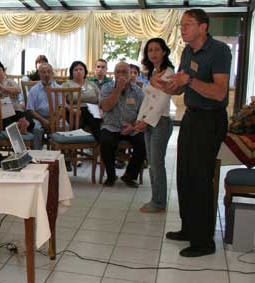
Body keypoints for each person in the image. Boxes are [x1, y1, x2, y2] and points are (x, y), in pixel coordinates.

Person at [163, 9, 231, 257]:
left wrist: (189, 81)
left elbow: (219, 92)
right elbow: (180, 89)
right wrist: (168, 86)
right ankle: (189, 229)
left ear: (204, 27)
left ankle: (204, 242)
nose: (182, 29)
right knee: (184, 175)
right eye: (181, 25)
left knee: (201, 178)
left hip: (211, 118)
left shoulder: (219, 51)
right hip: (191, 116)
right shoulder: (188, 51)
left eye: (188, 24)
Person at [134, 38, 175, 213]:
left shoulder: (169, 72)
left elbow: (161, 102)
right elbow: (148, 99)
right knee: (152, 163)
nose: (153, 53)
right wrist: (139, 118)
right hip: (150, 122)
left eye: (157, 49)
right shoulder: (153, 72)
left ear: (164, 52)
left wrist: (145, 121)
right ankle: (155, 199)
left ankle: (159, 203)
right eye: (150, 50)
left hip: (161, 122)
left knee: (157, 164)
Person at [99, 62, 146, 188]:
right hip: (111, 126)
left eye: (124, 72)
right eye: (118, 72)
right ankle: (111, 175)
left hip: (131, 127)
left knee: (144, 142)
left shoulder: (138, 91)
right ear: (114, 74)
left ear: (130, 74)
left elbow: (143, 113)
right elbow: (105, 107)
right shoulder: (107, 87)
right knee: (105, 140)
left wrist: (133, 126)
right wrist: (118, 90)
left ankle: (129, 176)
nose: (121, 75)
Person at [0, 60, 33, 134]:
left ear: (3, 71)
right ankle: (19, 126)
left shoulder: (9, 81)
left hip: (14, 110)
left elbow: (17, 90)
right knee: (2, 119)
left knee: (27, 116)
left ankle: (18, 126)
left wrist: (3, 88)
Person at [61, 61, 102, 141]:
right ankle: (75, 147)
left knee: (98, 124)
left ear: (85, 72)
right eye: (76, 70)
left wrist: (101, 108)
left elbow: (100, 97)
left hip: (93, 110)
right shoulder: (67, 84)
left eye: (81, 69)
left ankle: (98, 146)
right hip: (75, 110)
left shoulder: (92, 84)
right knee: (77, 124)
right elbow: (61, 100)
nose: (78, 71)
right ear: (72, 72)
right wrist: (70, 109)